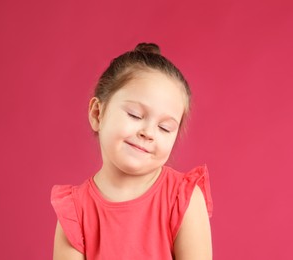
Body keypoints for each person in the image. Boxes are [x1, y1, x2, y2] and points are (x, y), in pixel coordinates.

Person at [51, 43, 213, 260]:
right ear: (97, 113)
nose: (148, 133)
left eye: (164, 128)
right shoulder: (75, 213)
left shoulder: (182, 199)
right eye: (135, 115)